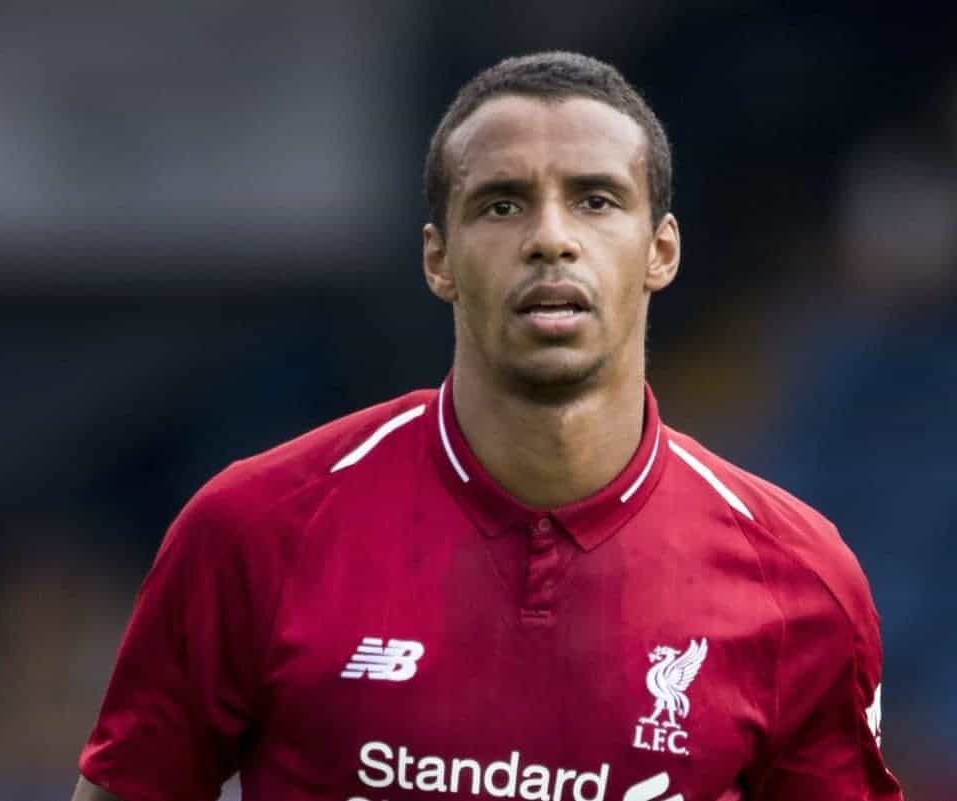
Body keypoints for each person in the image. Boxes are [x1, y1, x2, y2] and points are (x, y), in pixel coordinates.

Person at [72, 51, 903, 801]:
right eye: (503, 204)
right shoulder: (255, 529)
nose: (550, 239)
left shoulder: (799, 583)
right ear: (439, 258)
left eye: (596, 200)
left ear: (661, 250)